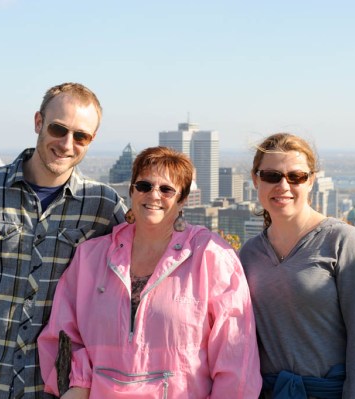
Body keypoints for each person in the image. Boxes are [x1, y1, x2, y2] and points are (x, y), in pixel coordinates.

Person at [0, 82, 127, 399]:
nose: (67, 144)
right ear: (38, 122)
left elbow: (143, 256)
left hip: (47, 386)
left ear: (92, 140)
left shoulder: (102, 205)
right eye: (58, 129)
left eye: (81, 136)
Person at [37, 146, 262, 399]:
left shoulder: (211, 257)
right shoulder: (91, 257)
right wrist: (78, 384)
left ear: (183, 199)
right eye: (144, 186)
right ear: (132, 191)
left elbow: (236, 360)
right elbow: (62, 336)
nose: (154, 195)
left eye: (166, 189)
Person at [239, 133, 355, 398]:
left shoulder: (344, 242)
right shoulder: (248, 254)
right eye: (272, 176)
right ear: (255, 179)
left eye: (296, 176)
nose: (283, 185)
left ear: (311, 181)